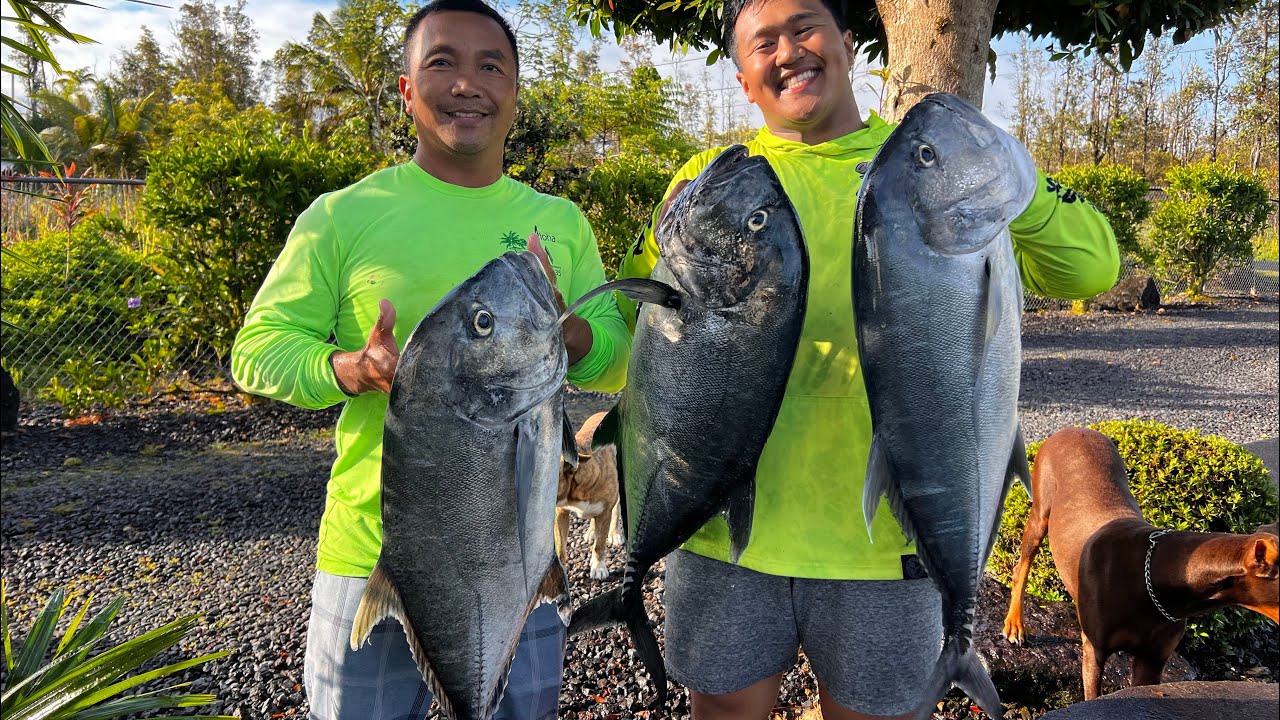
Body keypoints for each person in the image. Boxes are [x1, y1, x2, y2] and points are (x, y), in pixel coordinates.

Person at [617, 1, 1121, 719]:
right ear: (742, 80)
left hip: (891, 538)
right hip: (721, 533)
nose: (788, 51)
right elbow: (633, 333)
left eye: (805, 27)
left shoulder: (931, 163)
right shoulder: (709, 180)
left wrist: (1015, 181)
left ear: (849, 44)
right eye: (764, 42)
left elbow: (1092, 268)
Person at [229, 2, 632, 718]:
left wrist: (565, 332)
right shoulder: (343, 215)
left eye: (490, 66)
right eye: (442, 62)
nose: (467, 83)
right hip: (370, 560)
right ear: (407, 89)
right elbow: (257, 349)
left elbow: (614, 361)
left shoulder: (560, 222)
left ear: (514, 92)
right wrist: (348, 369)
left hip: (519, 562)